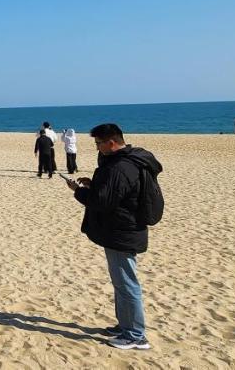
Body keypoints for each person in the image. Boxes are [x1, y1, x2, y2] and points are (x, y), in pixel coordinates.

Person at [64, 123, 162, 350]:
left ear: (111, 142)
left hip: (123, 231)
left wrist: (78, 191)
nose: (97, 148)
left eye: (99, 143)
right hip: (122, 229)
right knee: (121, 282)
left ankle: (136, 335)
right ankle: (125, 325)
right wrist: (93, 183)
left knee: (127, 283)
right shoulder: (126, 162)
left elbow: (103, 202)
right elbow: (114, 192)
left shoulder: (121, 166)